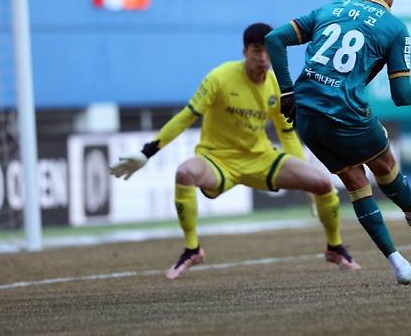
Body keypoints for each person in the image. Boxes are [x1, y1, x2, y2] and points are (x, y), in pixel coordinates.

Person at [110, 23, 360, 280]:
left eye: (267, 52)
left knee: (321, 182)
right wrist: (147, 152)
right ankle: (192, 249)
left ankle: (335, 247)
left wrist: (303, 169)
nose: (263, 58)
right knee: (185, 172)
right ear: (244, 51)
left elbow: (286, 132)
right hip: (218, 160)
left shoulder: (275, 83)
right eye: (256, 51)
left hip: (260, 159)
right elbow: (186, 116)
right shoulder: (219, 78)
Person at [265, 0, 411, 284]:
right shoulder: (395, 29)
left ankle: (398, 263)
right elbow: (403, 96)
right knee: (382, 157)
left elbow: (274, 39)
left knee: (356, 182)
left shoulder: (330, 9)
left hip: (306, 115)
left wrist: (287, 91)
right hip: (343, 110)